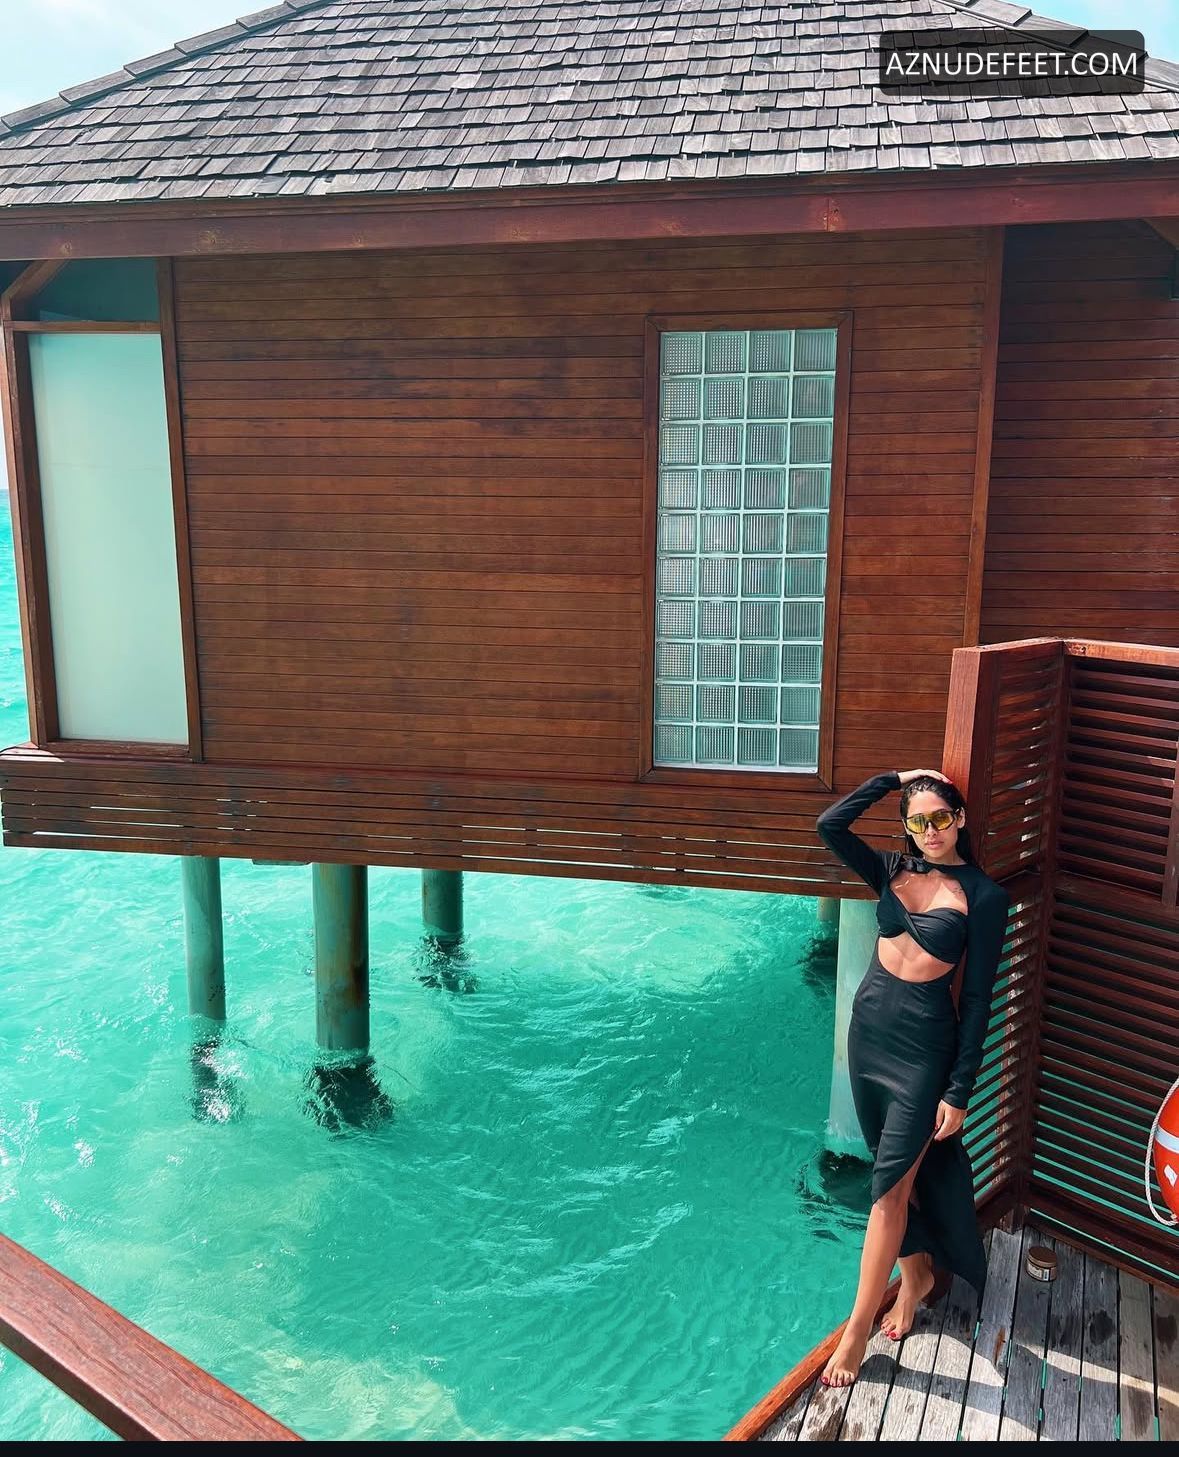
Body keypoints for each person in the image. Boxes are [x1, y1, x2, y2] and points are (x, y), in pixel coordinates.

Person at [813, 768, 1012, 1389]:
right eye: (918, 820)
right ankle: (917, 1277)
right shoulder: (891, 869)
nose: (931, 831)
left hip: (924, 1052)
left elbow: (977, 1001)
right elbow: (830, 825)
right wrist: (892, 779)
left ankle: (855, 1332)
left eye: (941, 818)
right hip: (868, 1034)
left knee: (888, 1192)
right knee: (887, 1173)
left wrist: (960, 1090)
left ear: (960, 819)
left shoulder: (984, 896)